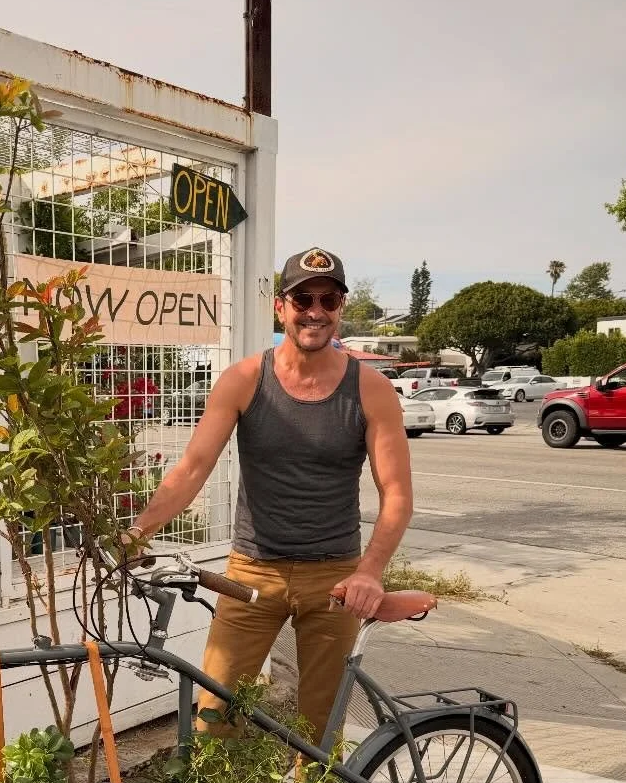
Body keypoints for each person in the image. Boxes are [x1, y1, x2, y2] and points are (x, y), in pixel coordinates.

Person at [125, 247, 413, 745]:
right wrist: (137, 531)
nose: (316, 311)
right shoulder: (244, 379)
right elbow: (193, 468)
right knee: (214, 714)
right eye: (303, 298)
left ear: (341, 307)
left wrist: (369, 571)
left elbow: (397, 493)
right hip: (252, 572)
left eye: (329, 299)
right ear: (281, 307)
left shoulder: (371, 389)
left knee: (321, 730)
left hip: (336, 576)